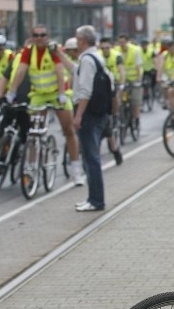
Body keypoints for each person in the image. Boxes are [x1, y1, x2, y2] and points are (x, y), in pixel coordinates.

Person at [6, 24, 84, 186]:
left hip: (58, 93)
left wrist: (62, 93)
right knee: (34, 133)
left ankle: (76, 171)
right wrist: (12, 90)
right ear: (32, 37)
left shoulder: (53, 49)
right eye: (36, 35)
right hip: (39, 95)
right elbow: (21, 70)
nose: (39, 38)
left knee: (68, 130)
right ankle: (32, 167)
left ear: (47, 36)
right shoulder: (28, 51)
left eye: (42, 35)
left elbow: (59, 70)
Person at [58, 37, 122, 165]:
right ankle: (81, 156)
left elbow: (87, 90)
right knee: (84, 137)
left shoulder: (87, 60)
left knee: (107, 131)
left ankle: (115, 151)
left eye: (71, 51)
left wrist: (114, 112)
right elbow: (71, 75)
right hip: (78, 101)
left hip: (94, 105)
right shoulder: (79, 60)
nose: (70, 53)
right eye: (68, 51)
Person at [71, 25, 111, 212]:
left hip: (89, 114)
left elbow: (85, 91)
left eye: (77, 39)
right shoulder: (96, 57)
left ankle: (96, 200)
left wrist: (79, 115)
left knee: (91, 158)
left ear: (83, 40)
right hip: (99, 112)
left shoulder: (87, 60)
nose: (76, 42)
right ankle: (92, 198)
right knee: (90, 157)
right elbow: (74, 71)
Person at [117, 34, 143, 131]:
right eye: (120, 42)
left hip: (134, 80)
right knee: (121, 100)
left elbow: (138, 66)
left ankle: (136, 119)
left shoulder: (135, 50)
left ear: (127, 42)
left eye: (123, 42)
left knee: (135, 101)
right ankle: (122, 117)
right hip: (122, 80)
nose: (121, 44)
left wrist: (139, 79)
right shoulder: (117, 51)